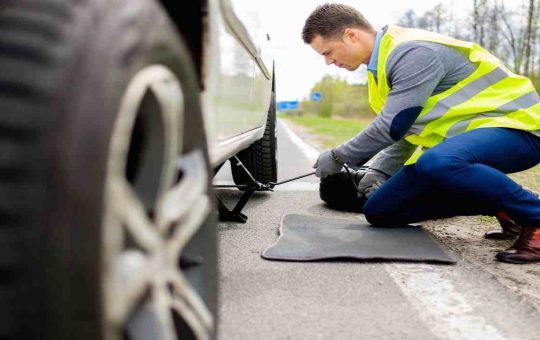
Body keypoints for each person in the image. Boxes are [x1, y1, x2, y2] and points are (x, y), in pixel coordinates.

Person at [303, 3, 540, 264]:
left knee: (437, 162)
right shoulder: (378, 70)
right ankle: (507, 208)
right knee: (380, 210)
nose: (328, 61)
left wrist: (338, 156)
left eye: (328, 52)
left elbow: (392, 125)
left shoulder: (412, 52)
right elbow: (406, 129)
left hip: (519, 129)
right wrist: (379, 171)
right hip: (465, 147)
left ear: (351, 35)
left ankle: (535, 215)